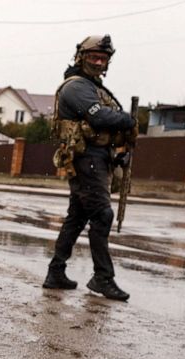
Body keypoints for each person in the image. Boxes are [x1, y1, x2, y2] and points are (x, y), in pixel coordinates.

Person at [43, 34, 137, 301]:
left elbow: (106, 124)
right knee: (103, 215)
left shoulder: (95, 87)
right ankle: (102, 278)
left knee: (77, 217)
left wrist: (119, 152)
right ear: (81, 57)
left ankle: (56, 272)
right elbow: (100, 116)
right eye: (93, 57)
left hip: (97, 157)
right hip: (86, 159)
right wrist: (128, 120)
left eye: (103, 58)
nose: (98, 62)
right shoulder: (76, 87)